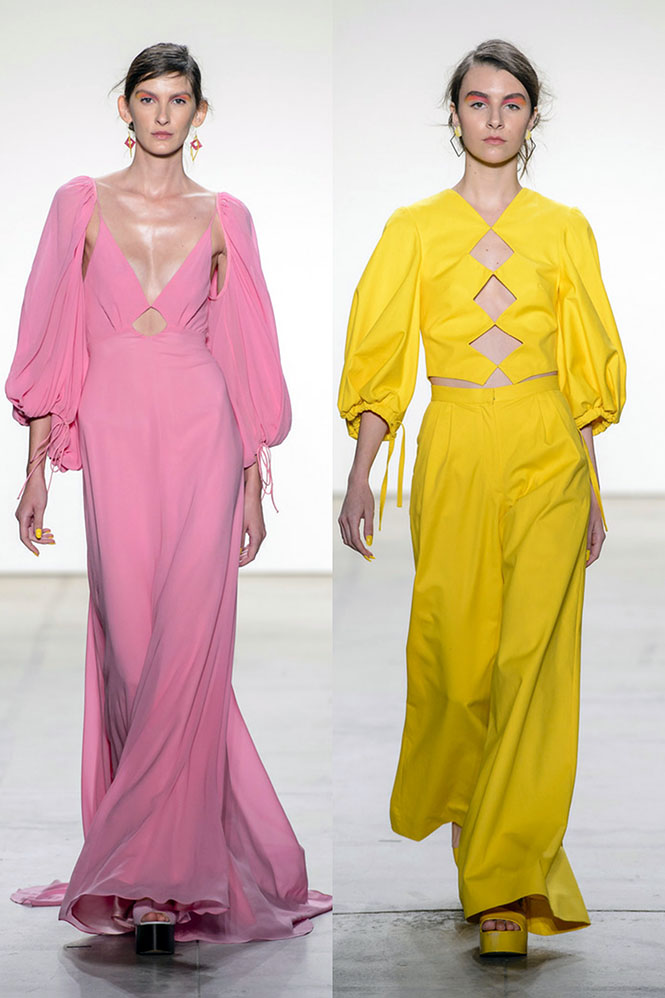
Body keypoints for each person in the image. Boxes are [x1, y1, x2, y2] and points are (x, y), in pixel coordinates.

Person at [6, 42, 331, 955]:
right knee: (131, 650)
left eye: (177, 99)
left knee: (189, 652)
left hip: (203, 436)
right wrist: (35, 468)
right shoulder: (78, 205)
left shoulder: (226, 217)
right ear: (125, 107)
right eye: (147, 98)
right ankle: (149, 855)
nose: (161, 114)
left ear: (198, 113)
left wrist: (252, 484)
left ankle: (159, 883)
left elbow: (244, 352)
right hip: (115, 435)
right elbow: (53, 340)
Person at [337, 38, 626, 957]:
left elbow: (581, 364)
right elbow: (383, 354)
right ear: (454, 112)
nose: (493, 117)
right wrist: (360, 472)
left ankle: (504, 883)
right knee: (460, 661)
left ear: (531, 116)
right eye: (476, 101)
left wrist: (591, 485)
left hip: (546, 449)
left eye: (510, 103)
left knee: (532, 663)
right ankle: (476, 815)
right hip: (456, 446)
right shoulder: (413, 228)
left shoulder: (565, 228)